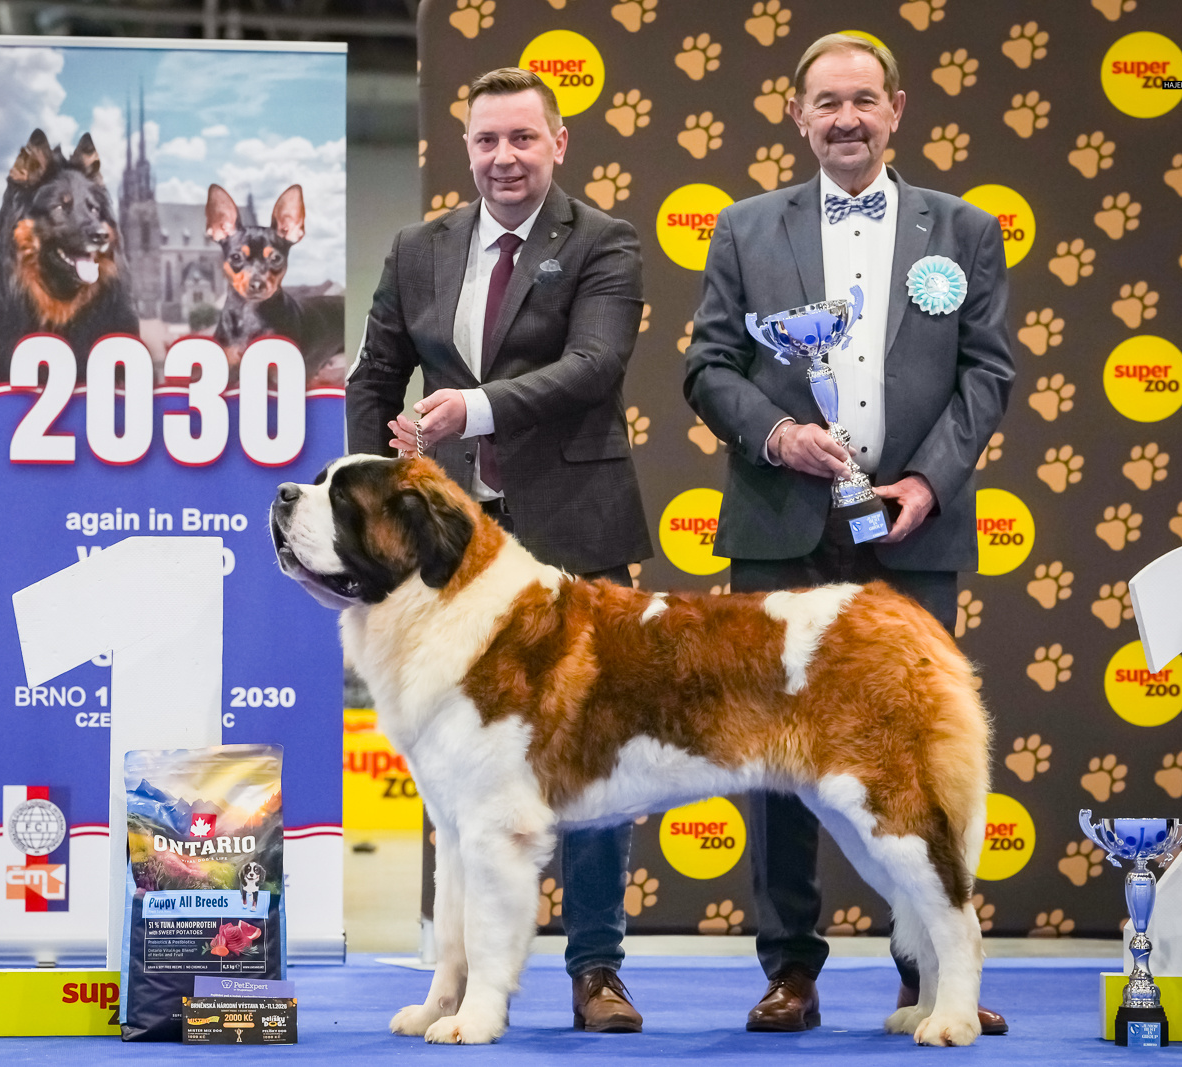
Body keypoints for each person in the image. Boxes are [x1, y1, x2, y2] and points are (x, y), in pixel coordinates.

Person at [683, 33, 1014, 1035]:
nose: (846, 119)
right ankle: (789, 966)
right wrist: (778, 434)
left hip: (910, 527)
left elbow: (987, 372)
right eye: (827, 102)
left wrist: (929, 481)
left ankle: (930, 968)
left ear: (897, 109)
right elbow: (706, 366)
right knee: (771, 752)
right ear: (797, 115)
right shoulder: (745, 228)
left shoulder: (965, 230)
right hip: (779, 523)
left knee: (916, 753)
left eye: (864, 100)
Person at [347, 67, 652, 1033]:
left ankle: (596, 969)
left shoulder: (605, 241)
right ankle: (458, 973)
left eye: (524, 138)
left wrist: (472, 408)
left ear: (558, 142)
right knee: (452, 766)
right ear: (467, 146)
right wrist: (368, 499)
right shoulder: (419, 248)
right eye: (487, 140)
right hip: (449, 555)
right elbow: (374, 374)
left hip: (575, 533)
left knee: (589, 761)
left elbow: (594, 366)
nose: (504, 157)